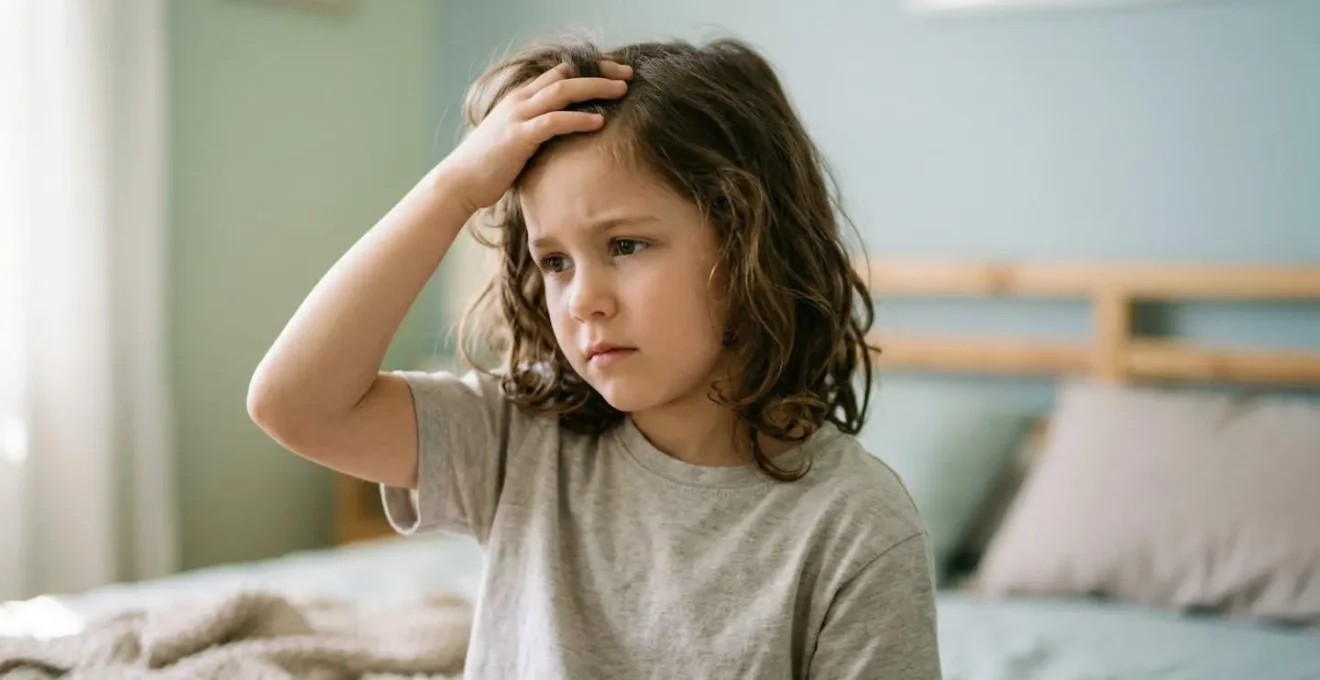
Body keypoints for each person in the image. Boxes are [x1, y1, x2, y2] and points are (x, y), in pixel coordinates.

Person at [248, 36, 941, 679]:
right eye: (554, 261)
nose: (583, 300)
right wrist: (453, 189)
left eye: (625, 245)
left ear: (748, 245)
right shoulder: (519, 439)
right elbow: (293, 404)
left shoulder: (855, 525)